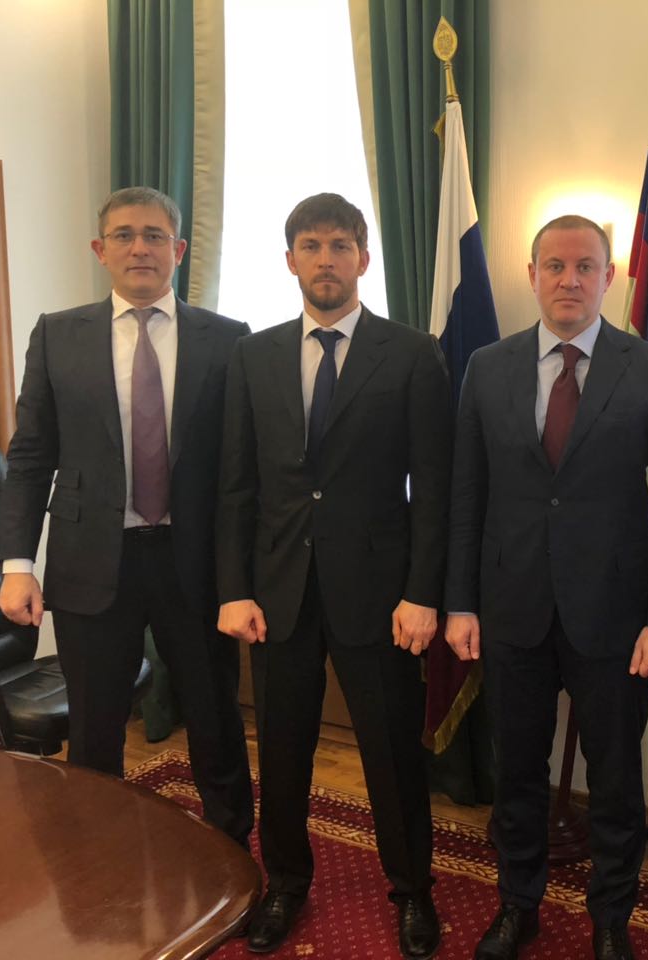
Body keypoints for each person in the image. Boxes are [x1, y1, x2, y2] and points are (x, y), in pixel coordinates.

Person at [445, 215, 648, 960]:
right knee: (517, 773)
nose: (569, 279)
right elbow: (467, 494)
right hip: (512, 611)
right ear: (531, 275)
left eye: (585, 266)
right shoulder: (487, 367)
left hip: (617, 620)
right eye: (554, 266)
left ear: (608, 277)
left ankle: (610, 918)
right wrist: (460, 602)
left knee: (616, 782)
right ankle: (517, 906)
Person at [216, 193, 451, 958]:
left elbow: (434, 488)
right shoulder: (253, 355)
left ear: (364, 259)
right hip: (278, 591)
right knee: (282, 752)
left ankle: (412, 889)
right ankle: (285, 883)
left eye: (340, 245)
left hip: (380, 596)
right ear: (290, 260)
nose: (326, 260)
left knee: (391, 753)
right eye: (311, 246)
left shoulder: (412, 354)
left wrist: (423, 593)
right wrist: (234, 587)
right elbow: (237, 484)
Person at [0, 186, 254, 846]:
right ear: (100, 249)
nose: (140, 248)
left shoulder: (228, 340)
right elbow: (30, 456)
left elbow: (241, 468)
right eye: (123, 235)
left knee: (215, 720)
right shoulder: (57, 334)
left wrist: (243, 574)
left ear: (179, 249)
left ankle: (231, 854)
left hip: (194, 564)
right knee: (94, 729)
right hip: (90, 564)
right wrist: (18, 564)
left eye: (154, 235)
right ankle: (100, 866)